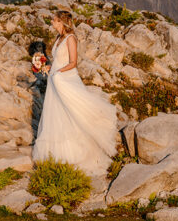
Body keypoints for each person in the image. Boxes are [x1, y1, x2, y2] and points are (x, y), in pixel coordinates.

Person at [32, 9, 116, 175]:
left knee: (72, 114)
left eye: (54, 20)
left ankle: (77, 156)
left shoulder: (71, 39)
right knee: (57, 116)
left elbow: (72, 62)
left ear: (61, 22)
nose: (52, 23)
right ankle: (56, 156)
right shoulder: (58, 38)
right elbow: (59, 60)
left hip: (65, 79)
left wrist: (57, 72)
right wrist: (49, 67)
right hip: (56, 79)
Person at [27, 38, 50, 139]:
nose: (39, 50)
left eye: (41, 47)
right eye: (38, 47)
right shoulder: (33, 59)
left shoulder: (46, 59)